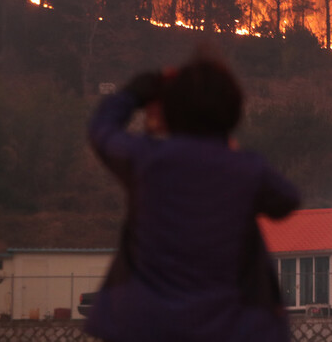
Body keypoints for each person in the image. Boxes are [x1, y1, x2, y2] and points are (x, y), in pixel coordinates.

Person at [85, 52, 300, 342]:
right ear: (233, 112)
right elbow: (286, 200)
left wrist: (133, 94)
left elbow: (102, 131)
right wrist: (231, 153)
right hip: (232, 328)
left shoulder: (146, 160)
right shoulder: (245, 169)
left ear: (169, 112)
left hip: (144, 326)